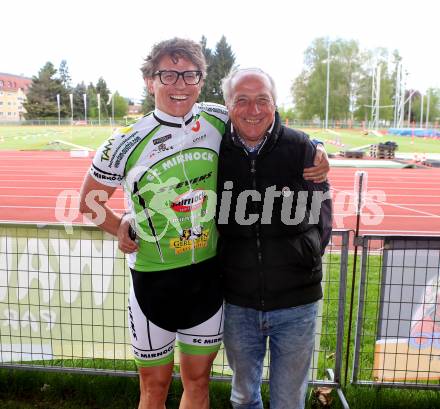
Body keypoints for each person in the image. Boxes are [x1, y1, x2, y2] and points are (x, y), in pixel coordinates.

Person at [79, 38, 329, 409]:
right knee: (154, 388)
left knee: (198, 384)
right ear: (150, 81)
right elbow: (88, 202)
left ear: (200, 80)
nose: (179, 84)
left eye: (189, 74)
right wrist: (120, 226)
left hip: (207, 280)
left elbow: (263, 121)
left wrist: (317, 146)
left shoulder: (217, 116)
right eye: (168, 74)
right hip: (152, 280)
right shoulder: (126, 140)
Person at [216, 68, 332, 409]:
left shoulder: (302, 148)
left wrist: (305, 254)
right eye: (243, 100)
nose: (254, 109)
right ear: (228, 105)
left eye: (262, 100)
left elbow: (323, 218)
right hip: (238, 303)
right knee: (242, 398)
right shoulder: (214, 149)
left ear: (275, 103)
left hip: (297, 304)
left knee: (288, 402)